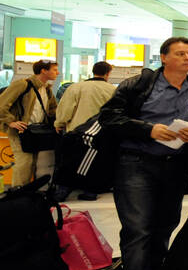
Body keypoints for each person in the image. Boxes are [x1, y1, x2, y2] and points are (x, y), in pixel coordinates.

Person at [98, 37, 188, 270]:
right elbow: (108, 117)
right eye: (181, 54)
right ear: (164, 57)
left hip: (176, 164)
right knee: (138, 227)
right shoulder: (138, 85)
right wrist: (148, 129)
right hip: (136, 163)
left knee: (165, 224)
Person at [52, 61, 116, 200]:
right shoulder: (112, 90)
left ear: (93, 71)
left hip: (77, 132)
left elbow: (66, 108)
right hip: (100, 134)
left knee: (70, 163)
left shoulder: (76, 87)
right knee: (95, 164)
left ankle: (63, 191)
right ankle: (90, 191)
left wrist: (59, 123)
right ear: (108, 74)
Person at [0, 58, 60, 187]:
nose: (58, 73)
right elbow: (1, 104)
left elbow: (52, 110)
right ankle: (18, 196)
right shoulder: (22, 85)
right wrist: (11, 122)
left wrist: (58, 123)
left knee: (33, 163)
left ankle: (27, 195)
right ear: (43, 71)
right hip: (21, 131)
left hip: (37, 132)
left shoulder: (46, 89)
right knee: (24, 163)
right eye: (55, 70)